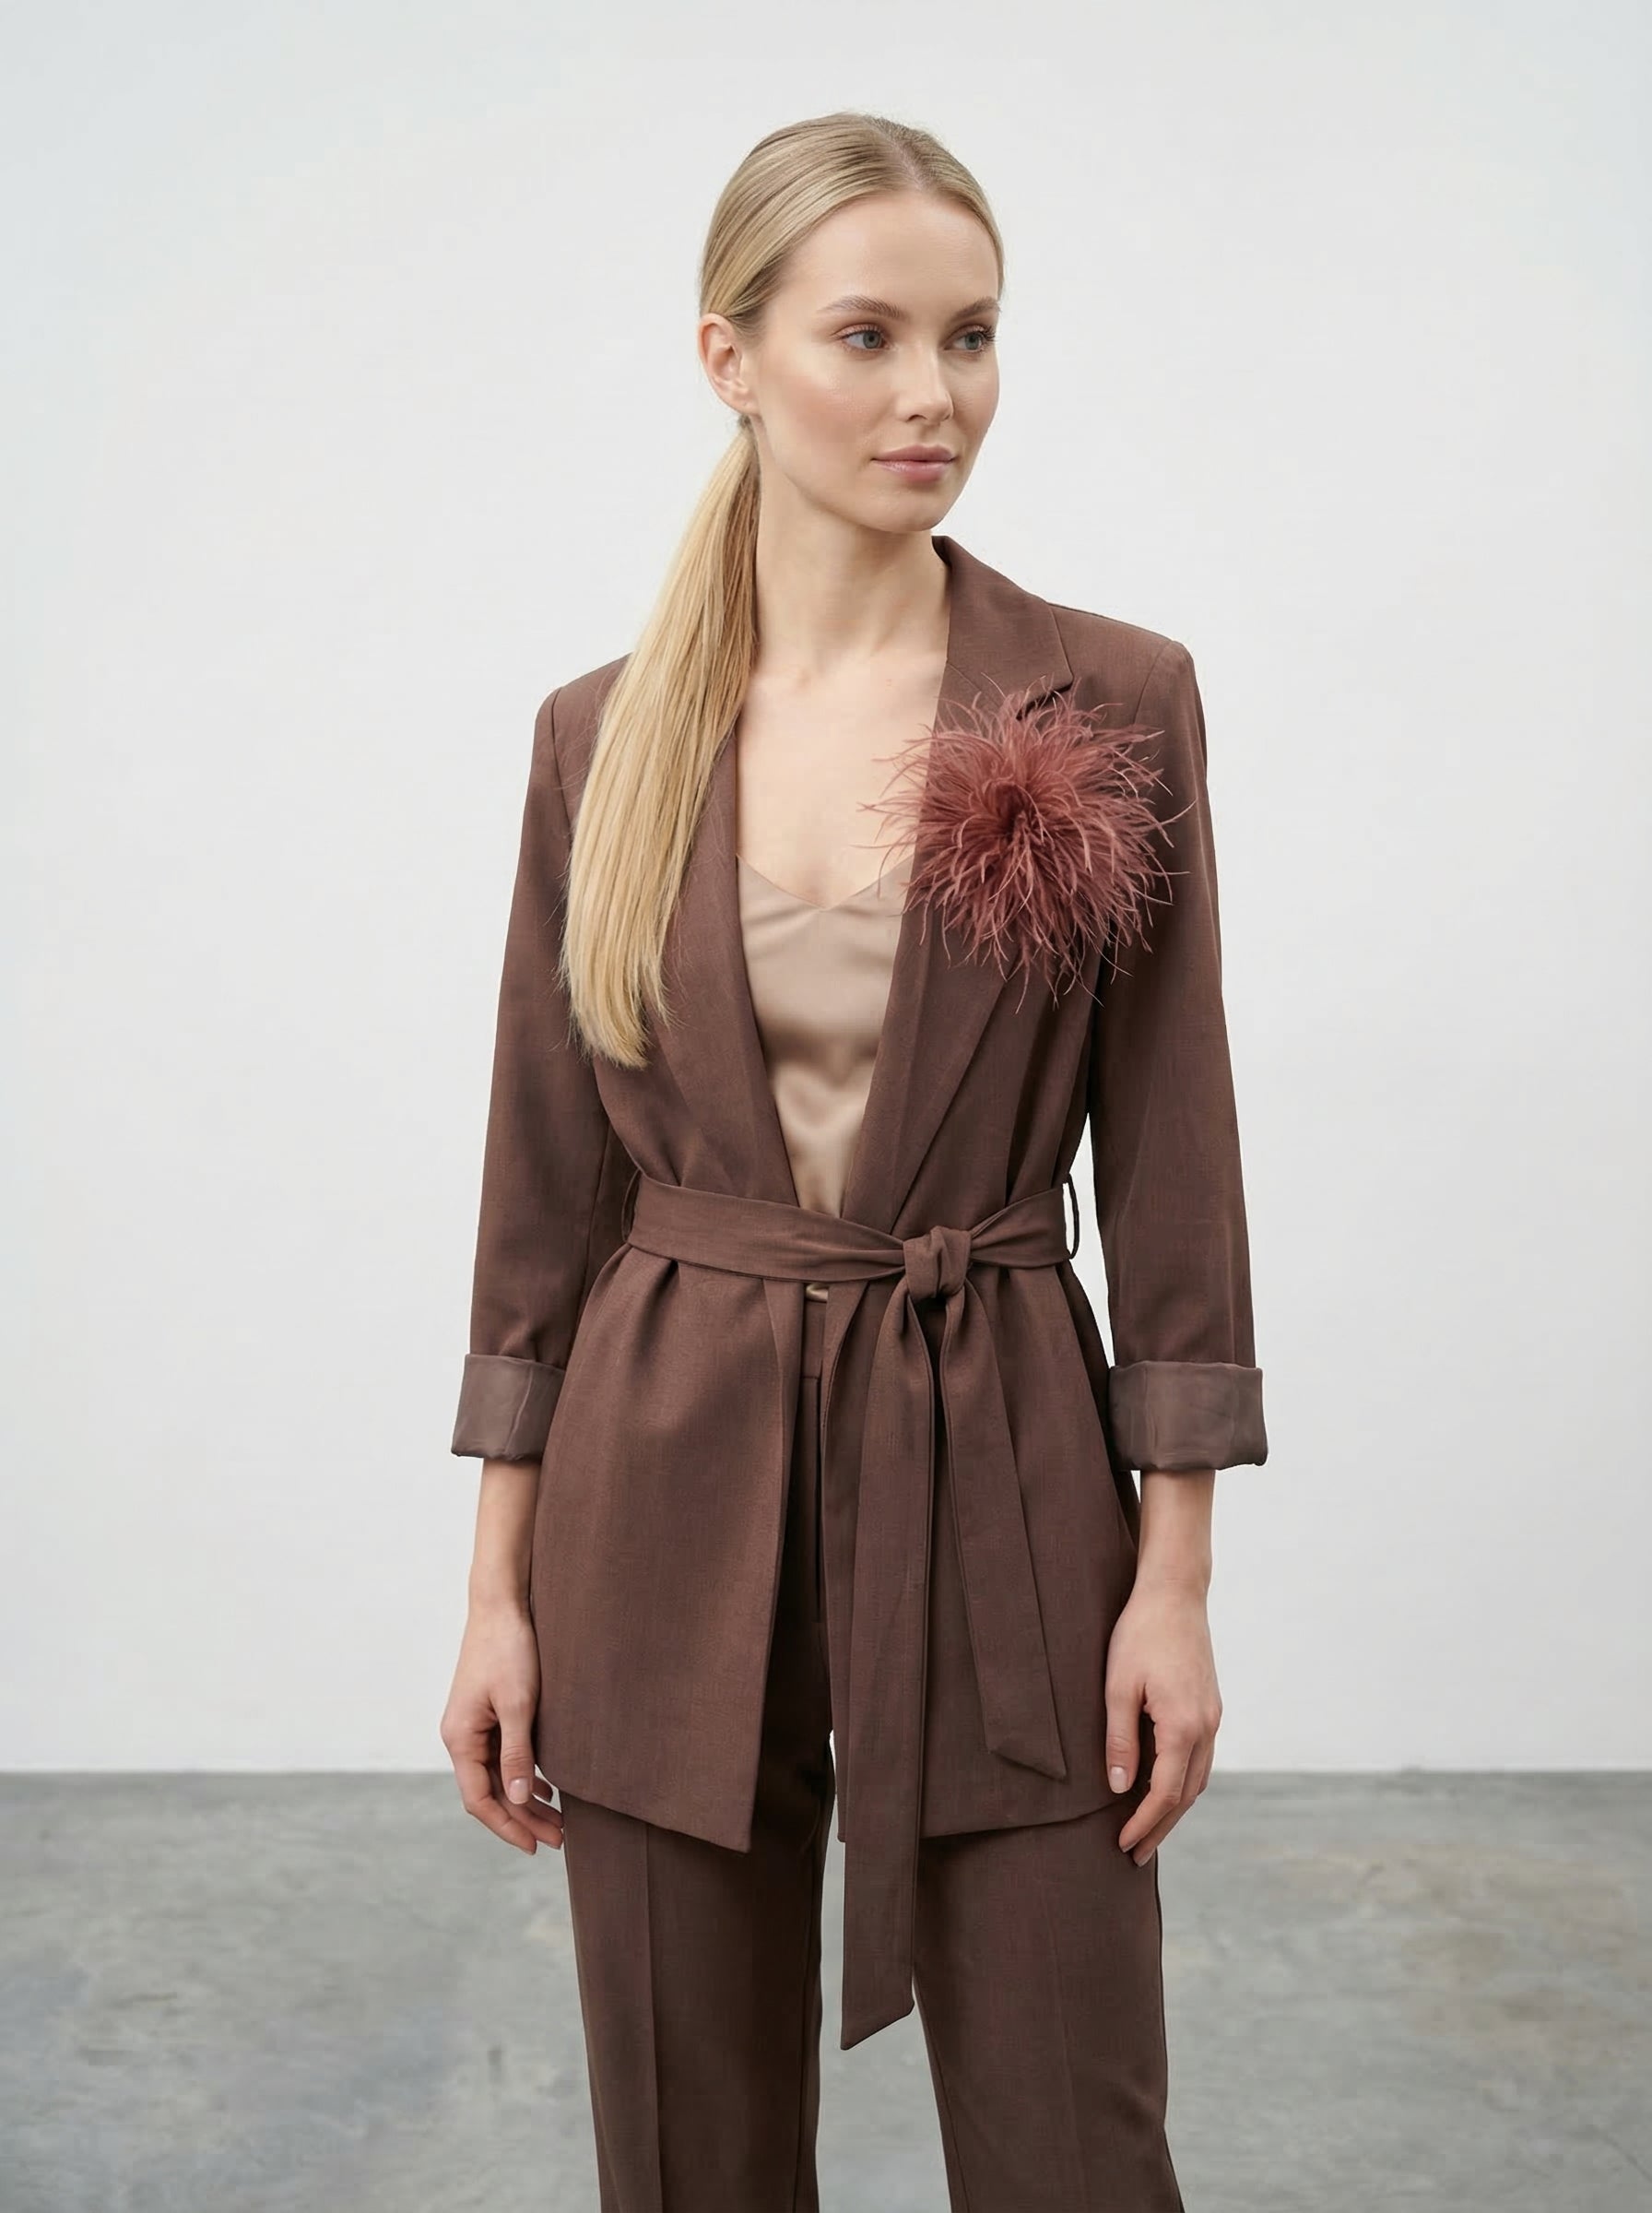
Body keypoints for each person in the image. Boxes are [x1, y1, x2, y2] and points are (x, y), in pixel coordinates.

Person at [440, 109, 1267, 2213]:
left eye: (971, 337)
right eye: (869, 336)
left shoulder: (1113, 700)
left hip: (1001, 1464)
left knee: (1075, 2140)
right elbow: (545, 1195)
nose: (934, 397)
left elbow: (1174, 1171)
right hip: (662, 1488)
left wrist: (1172, 1584)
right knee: (686, 2150)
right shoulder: (598, 737)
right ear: (728, 357)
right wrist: (496, 1593)